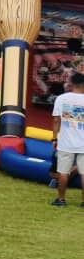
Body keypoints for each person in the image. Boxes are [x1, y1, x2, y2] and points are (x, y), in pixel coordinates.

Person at [50, 71, 84, 207]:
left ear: (71, 84)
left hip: (65, 141)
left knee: (63, 172)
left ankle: (61, 199)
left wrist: (54, 137)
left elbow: (56, 119)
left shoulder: (62, 99)